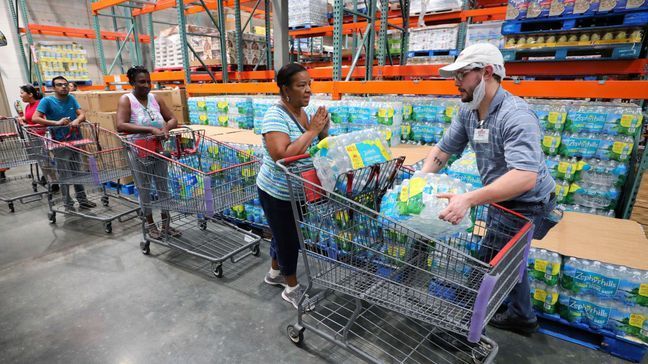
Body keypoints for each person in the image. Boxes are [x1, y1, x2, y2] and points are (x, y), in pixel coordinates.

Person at [420, 43, 557, 335]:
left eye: (462, 74)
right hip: (501, 197)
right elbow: (443, 152)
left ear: (487, 72)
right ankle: (522, 315)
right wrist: (418, 182)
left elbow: (524, 177)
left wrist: (468, 199)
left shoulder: (516, 115)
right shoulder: (468, 112)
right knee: (508, 259)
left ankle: (464, 329)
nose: (455, 81)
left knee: (489, 264)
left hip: (527, 202)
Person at [257, 63, 330, 309]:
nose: (308, 90)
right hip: (277, 192)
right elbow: (282, 156)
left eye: (309, 84)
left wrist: (322, 133)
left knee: (284, 234)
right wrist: (312, 131)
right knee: (289, 240)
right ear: (285, 89)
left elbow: (312, 147)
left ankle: (275, 274)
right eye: (301, 85)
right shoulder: (274, 116)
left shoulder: (303, 113)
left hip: (299, 190)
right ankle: (291, 288)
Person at [116, 66, 180, 239]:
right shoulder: (126, 100)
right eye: (141, 82)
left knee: (163, 187)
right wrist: (150, 130)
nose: (146, 85)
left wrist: (166, 128)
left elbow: (173, 118)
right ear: (132, 83)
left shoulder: (156, 98)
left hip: (159, 149)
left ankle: (166, 223)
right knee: (144, 188)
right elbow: (120, 125)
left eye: (148, 81)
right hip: (138, 150)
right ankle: (150, 223)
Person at [33, 76, 96, 211]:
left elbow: (81, 114)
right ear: (54, 87)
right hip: (59, 143)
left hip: (75, 139)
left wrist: (77, 120)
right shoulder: (47, 101)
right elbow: (35, 118)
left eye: (65, 84)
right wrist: (56, 123)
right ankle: (68, 203)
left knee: (77, 172)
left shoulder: (71, 98)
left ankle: (83, 200)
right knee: (64, 174)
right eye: (60, 85)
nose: (63, 87)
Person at [0, 84, 44, 182]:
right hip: (33, 137)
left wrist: (23, 123)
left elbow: (42, 119)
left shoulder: (41, 104)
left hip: (43, 137)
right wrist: (18, 118)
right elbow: (28, 117)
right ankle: (48, 177)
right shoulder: (28, 106)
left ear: (30, 94)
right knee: (40, 160)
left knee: (46, 160)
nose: (20, 95)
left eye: (22, 93)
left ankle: (52, 180)